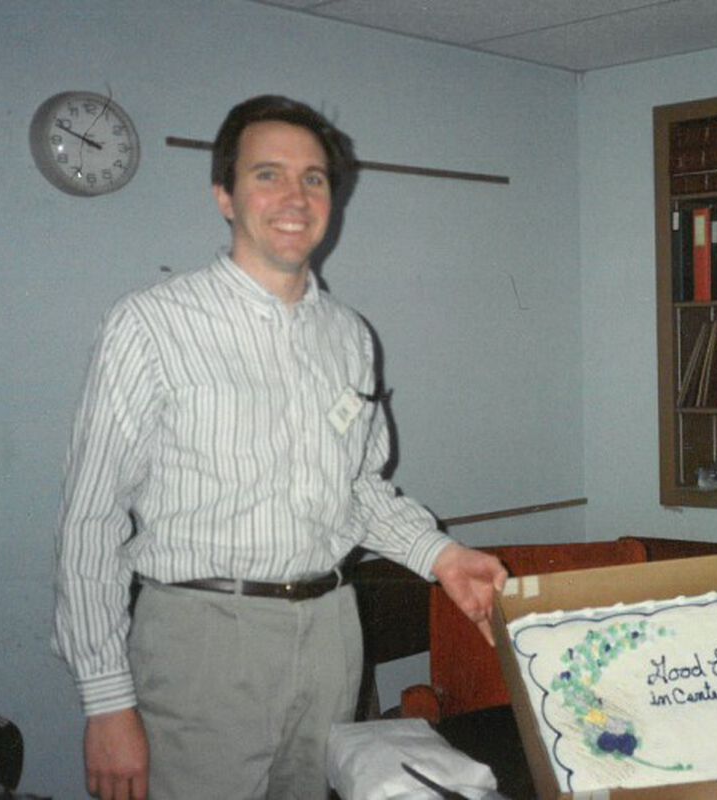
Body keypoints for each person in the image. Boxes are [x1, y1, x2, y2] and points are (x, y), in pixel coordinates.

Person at [53, 95, 508, 800]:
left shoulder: (349, 335)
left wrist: (442, 556)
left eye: (314, 178)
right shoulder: (149, 325)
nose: (294, 197)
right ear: (225, 197)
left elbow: (356, 490)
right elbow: (92, 519)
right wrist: (107, 702)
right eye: (267, 174)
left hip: (331, 633)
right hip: (202, 638)